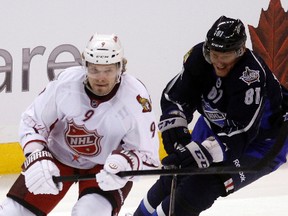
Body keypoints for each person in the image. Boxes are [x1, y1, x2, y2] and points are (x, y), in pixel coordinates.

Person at [133, 15, 288, 216]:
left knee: (199, 189)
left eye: (226, 56)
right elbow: (175, 95)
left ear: (240, 52)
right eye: (214, 55)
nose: (219, 63)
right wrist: (175, 123)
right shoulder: (199, 57)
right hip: (215, 125)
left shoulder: (250, 76)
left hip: (263, 142)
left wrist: (204, 151)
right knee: (174, 174)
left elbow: (242, 133)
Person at [0, 33, 160, 216]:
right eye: (94, 70)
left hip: (106, 167)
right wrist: (36, 155)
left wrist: (126, 162)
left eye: (108, 70)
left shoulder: (135, 98)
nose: (101, 78)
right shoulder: (66, 83)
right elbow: (33, 121)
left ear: (120, 68)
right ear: (84, 65)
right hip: (57, 158)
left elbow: (149, 156)